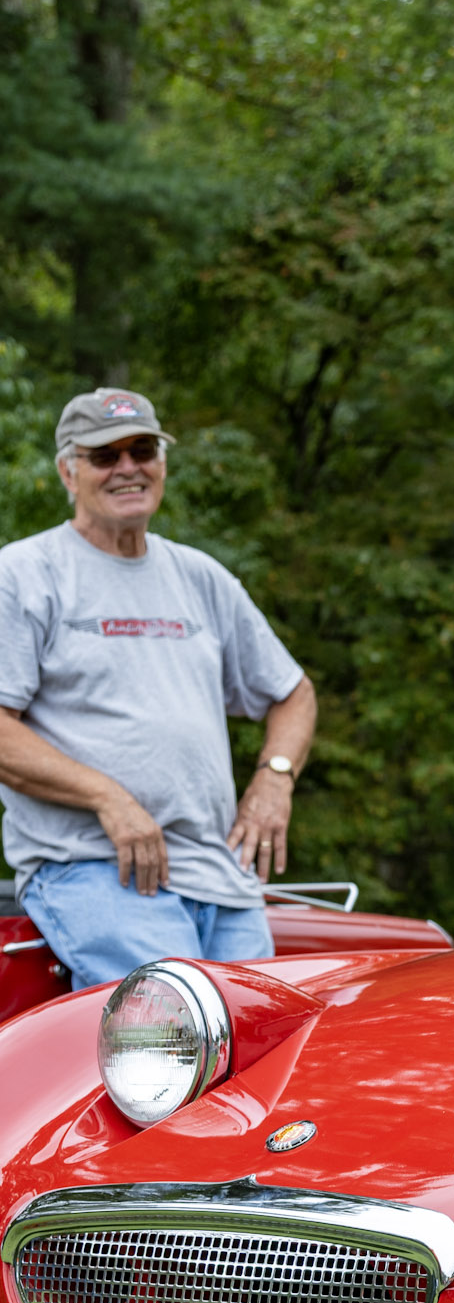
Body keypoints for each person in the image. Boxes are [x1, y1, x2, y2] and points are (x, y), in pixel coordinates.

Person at [0, 388, 316, 989]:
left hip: (222, 877)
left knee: (270, 1039)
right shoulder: (23, 574)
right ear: (67, 472)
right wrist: (108, 798)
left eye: (142, 450)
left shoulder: (201, 577)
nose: (128, 467)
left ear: (162, 464)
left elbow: (293, 692)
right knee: (177, 1040)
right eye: (104, 455)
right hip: (97, 870)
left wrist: (275, 778)